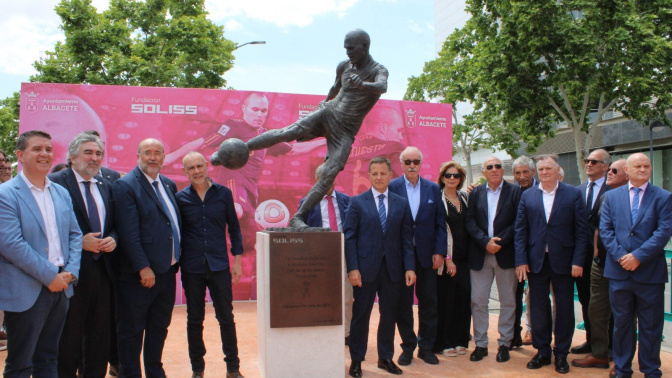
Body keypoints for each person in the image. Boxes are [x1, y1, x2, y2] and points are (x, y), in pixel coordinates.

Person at [220, 29, 388, 229]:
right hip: (328, 113)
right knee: (288, 132)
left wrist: (363, 84)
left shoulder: (378, 69)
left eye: (351, 48)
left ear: (365, 46)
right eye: (346, 48)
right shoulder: (344, 66)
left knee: (330, 172)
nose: (347, 52)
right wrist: (324, 104)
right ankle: (238, 150)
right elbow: (335, 89)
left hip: (346, 130)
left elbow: (382, 86)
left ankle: (298, 217)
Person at [0, 130, 82, 377]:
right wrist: (50, 276)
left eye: (48, 149)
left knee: (48, 358)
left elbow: (75, 235)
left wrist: (70, 272)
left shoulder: (60, 193)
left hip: (62, 287)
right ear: (20, 155)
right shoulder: (6, 195)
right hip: (28, 290)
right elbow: (11, 244)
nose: (44, 154)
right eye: (37, 149)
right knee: (21, 363)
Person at [49, 132, 118, 378]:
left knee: (99, 337)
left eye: (98, 153)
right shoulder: (54, 182)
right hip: (70, 273)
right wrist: (80, 241)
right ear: (72, 156)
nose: (94, 158)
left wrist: (114, 238)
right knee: (68, 337)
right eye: (88, 152)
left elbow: (115, 223)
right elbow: (47, 227)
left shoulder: (106, 185)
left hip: (104, 273)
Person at [113, 138, 181, 377]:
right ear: (138, 156)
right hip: (140, 276)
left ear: (164, 157)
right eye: (147, 153)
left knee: (159, 328)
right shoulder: (126, 186)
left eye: (158, 153)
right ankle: (130, 374)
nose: (153, 157)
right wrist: (143, 267)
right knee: (131, 332)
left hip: (167, 272)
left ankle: (155, 371)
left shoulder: (169, 184)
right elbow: (128, 233)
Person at [599, 153, 672, 378]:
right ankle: (622, 369)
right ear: (627, 171)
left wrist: (638, 256)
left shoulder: (664, 197)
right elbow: (606, 231)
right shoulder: (611, 197)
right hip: (619, 273)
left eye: (646, 166)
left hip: (650, 273)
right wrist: (623, 257)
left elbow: (663, 232)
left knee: (651, 326)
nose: (643, 169)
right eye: (637, 166)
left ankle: (651, 370)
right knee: (622, 325)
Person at [514, 154, 588, 374]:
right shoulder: (528, 196)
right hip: (536, 261)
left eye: (549, 168)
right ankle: (543, 351)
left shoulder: (573, 194)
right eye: (541, 169)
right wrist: (521, 260)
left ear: (558, 171)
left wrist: (578, 260)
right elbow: (520, 231)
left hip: (564, 262)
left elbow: (581, 232)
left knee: (564, 308)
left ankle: (562, 353)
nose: (545, 172)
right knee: (537, 308)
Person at [344, 157, 415, 378]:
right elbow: (350, 238)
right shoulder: (357, 202)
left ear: (390, 174)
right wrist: (353, 268)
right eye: (374, 173)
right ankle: (356, 360)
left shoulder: (401, 203)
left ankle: (385, 358)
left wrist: (409, 268)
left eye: (383, 173)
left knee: (389, 316)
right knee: (360, 315)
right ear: (369, 175)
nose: (378, 177)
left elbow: (406, 239)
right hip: (364, 270)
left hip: (393, 270)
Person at [176, 151, 245, 378]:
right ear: (185, 172)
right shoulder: (180, 198)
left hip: (219, 267)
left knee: (226, 317)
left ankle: (233, 368)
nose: (196, 171)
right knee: (194, 320)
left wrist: (236, 261)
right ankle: (198, 369)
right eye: (191, 168)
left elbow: (234, 229)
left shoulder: (224, 194)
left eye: (199, 166)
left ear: (206, 166)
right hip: (192, 268)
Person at [389, 147, 447, 366]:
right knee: (403, 305)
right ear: (401, 164)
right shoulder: (392, 187)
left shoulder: (433, 189)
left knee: (429, 303)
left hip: (427, 256)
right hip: (402, 258)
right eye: (407, 161)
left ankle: (426, 347)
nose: (412, 165)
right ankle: (408, 347)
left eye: (416, 161)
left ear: (421, 163)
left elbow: (440, 223)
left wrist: (440, 252)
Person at [464, 157, 521, 363]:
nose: (494, 169)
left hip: (506, 254)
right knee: (478, 301)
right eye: (490, 167)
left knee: (508, 302)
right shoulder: (476, 193)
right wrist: (485, 241)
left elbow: (518, 221)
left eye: (498, 166)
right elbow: (469, 221)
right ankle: (481, 344)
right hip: (481, 254)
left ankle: (504, 344)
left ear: (503, 170)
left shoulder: (515, 192)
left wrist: (500, 241)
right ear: (484, 172)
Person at [572, 158, 628, 370]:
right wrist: (596, 254)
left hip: (625, 264)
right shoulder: (605, 197)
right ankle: (598, 351)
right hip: (599, 262)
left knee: (623, 312)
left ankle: (620, 357)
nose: (610, 173)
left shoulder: (633, 197)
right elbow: (598, 228)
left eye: (614, 170)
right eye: (587, 161)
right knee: (594, 308)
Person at [299, 163, 352, 344]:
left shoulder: (347, 200)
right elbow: (299, 227)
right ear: (317, 180)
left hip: (344, 253)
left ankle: (346, 333)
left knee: (346, 295)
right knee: (319, 295)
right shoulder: (307, 202)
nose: (328, 181)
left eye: (331, 177)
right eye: (324, 178)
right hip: (319, 256)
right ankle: (321, 330)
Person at [572, 149, 611, 356]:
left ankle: (610, 345)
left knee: (607, 303)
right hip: (580, 257)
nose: (589, 164)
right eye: (587, 161)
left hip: (605, 256)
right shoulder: (577, 190)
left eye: (594, 162)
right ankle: (591, 341)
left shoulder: (613, 187)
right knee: (586, 300)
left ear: (605, 166)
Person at [433, 161, 471, 357]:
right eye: (448, 175)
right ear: (442, 177)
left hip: (465, 260)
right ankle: (444, 342)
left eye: (456, 175)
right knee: (446, 301)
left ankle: (460, 339)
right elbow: (438, 231)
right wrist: (448, 258)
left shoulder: (465, 198)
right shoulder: (437, 200)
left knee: (463, 302)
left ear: (461, 179)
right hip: (448, 261)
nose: (452, 178)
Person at [510, 156, 537, 346]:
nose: (522, 176)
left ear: (533, 172)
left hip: (539, 253)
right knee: (515, 296)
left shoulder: (543, 190)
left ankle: (536, 332)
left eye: (525, 172)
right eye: (518, 173)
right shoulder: (511, 192)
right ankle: (515, 335)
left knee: (537, 297)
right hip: (516, 254)